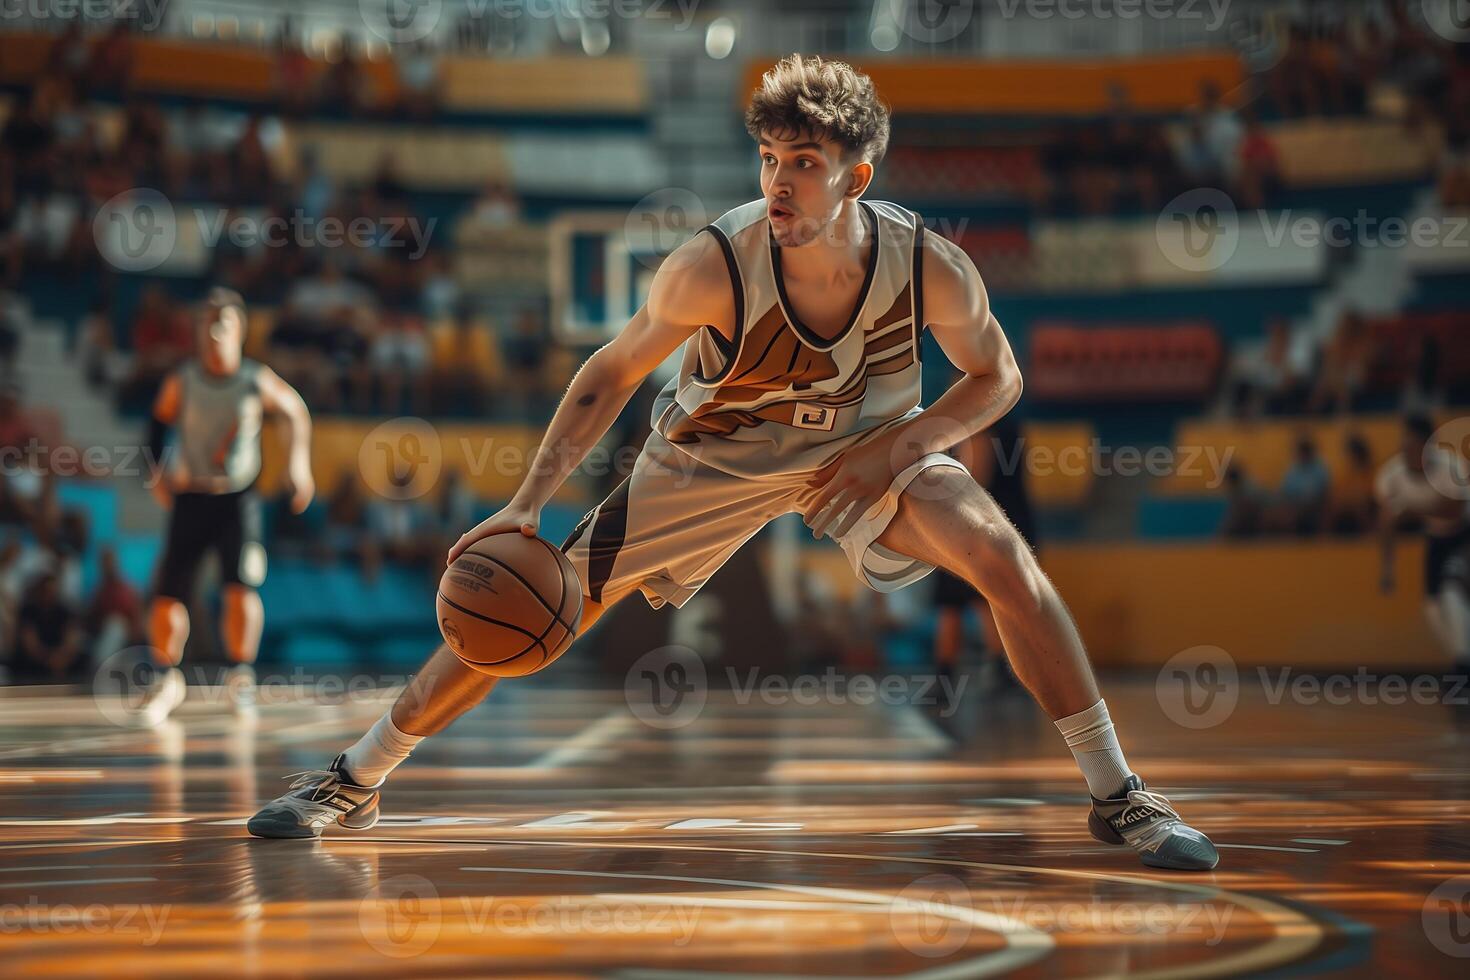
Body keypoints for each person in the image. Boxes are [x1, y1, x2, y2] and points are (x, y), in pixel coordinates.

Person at [248, 55, 1217, 871]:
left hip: (861, 449)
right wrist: (527, 502)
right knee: (537, 598)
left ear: (858, 177)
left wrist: (903, 444)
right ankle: (355, 777)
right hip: (708, 462)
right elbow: (612, 370)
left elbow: (997, 375)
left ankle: (1118, 793)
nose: (780, 182)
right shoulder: (713, 262)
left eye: (804, 161)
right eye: (768, 159)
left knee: (1003, 557)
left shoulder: (930, 266)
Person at [139, 288, 315, 725]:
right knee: (168, 594)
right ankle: (166, 677)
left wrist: (298, 464)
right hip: (191, 496)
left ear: (240, 331)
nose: (215, 331)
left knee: (240, 587)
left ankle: (240, 677)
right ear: (198, 331)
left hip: (238, 499)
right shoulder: (184, 379)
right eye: (207, 322)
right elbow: (158, 421)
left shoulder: (255, 379)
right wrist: (157, 470)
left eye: (225, 323)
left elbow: (295, 411)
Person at [931, 410, 1037, 694]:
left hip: (980, 526)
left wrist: (944, 509)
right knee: (973, 600)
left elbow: (975, 478)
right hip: (1005, 524)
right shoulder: (1008, 420)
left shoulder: (980, 421)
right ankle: (994, 671)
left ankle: (980, 672)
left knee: (974, 598)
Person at [1377, 413, 1470, 671]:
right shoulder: (1392, 475)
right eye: (1405, 443)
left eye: (1414, 442)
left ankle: (1462, 667)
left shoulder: (1451, 465)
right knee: (1432, 606)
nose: (1407, 448)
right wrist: (1387, 568)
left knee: (1452, 591)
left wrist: (1413, 511)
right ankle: (1461, 660)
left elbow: (1454, 511)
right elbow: (1387, 524)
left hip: (1464, 534)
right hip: (1436, 539)